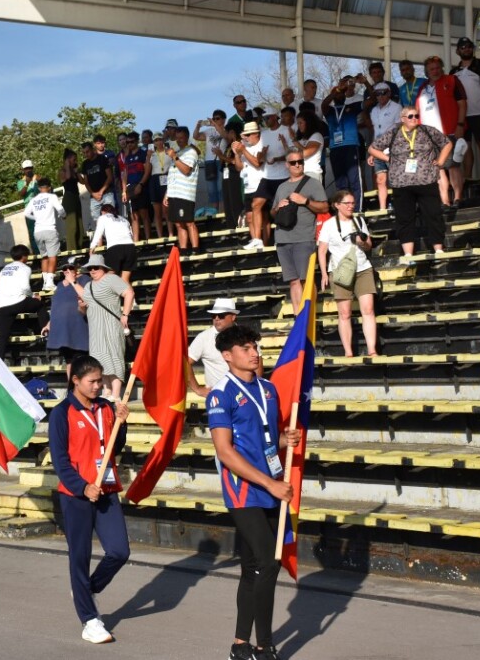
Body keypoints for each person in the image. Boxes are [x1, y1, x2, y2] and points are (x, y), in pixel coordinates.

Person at [207, 325, 300, 660]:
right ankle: (264, 644)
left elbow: (264, 441)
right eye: (245, 348)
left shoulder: (270, 390)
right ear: (228, 356)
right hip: (244, 491)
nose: (254, 352)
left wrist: (283, 442)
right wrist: (269, 483)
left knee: (251, 568)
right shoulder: (220, 394)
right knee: (268, 562)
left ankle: (239, 644)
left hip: (271, 486)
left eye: (255, 347)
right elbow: (225, 452)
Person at [48, 355, 131, 644]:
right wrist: (82, 487)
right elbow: (60, 460)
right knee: (79, 557)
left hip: (106, 489)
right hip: (77, 496)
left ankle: (87, 588)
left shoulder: (105, 408)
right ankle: (89, 619)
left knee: (119, 551)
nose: (98, 386)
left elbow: (115, 445)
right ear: (75, 381)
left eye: (100, 380)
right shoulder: (61, 413)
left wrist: (122, 423)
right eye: (92, 381)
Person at [370, 106, 453, 259]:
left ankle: (438, 248)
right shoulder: (394, 133)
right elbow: (373, 148)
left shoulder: (427, 130)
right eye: (410, 116)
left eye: (416, 115)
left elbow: (446, 143)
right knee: (404, 217)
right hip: (401, 183)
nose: (414, 118)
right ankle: (408, 253)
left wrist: (440, 161)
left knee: (433, 214)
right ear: (402, 119)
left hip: (426, 179)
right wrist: (389, 159)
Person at [318, 190, 378, 357]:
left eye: (353, 203)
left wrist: (362, 242)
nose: (351, 206)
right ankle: (348, 352)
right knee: (344, 313)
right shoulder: (329, 224)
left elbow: (369, 245)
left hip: (362, 267)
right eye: (347, 203)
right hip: (340, 270)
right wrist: (324, 274)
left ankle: (372, 350)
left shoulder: (358, 221)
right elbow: (322, 250)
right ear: (337, 205)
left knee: (368, 309)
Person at [72, 255, 135, 402]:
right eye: (90, 268)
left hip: (111, 325)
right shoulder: (88, 286)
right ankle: (106, 391)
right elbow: (84, 310)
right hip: (95, 328)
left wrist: (125, 314)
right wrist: (81, 307)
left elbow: (129, 292)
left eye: (96, 267)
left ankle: (116, 393)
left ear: (103, 268)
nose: (92, 270)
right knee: (99, 360)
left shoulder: (111, 279)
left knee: (114, 356)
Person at [272, 151, 328, 310]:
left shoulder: (313, 183)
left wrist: (306, 201)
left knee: (306, 280)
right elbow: (272, 213)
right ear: (286, 165)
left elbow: (324, 207)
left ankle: (309, 315)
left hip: (304, 238)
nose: (297, 165)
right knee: (293, 281)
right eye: (293, 162)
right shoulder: (281, 187)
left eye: (300, 161)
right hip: (282, 239)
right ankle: (299, 317)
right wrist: (278, 207)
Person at [415, 56, 467, 207]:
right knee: (437, 168)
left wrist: (460, 124)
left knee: (452, 165)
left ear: (442, 67)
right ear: (427, 71)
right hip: (429, 136)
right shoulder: (423, 87)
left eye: (437, 67)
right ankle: (445, 201)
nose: (435, 71)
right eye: (431, 69)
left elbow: (462, 104)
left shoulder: (451, 80)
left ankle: (457, 198)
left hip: (449, 131)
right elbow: (417, 110)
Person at [451, 36, 480, 196]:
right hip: (462, 116)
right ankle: (468, 177)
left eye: (469, 46)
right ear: (457, 51)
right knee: (465, 146)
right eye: (463, 47)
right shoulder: (453, 72)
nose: (466, 49)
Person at [0, 245, 49, 361]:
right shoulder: (25, 268)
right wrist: (34, 295)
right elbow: (25, 287)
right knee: (40, 305)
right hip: (18, 302)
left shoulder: (5, 269)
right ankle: (45, 331)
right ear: (24, 256)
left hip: (4, 305)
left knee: (3, 336)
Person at [321, 75, 365, 210]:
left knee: (355, 181)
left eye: (343, 93)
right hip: (335, 149)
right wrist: (336, 90)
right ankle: (344, 209)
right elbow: (323, 104)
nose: (341, 95)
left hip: (351, 147)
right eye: (338, 93)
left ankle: (357, 211)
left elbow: (372, 100)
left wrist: (366, 83)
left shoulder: (353, 107)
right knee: (341, 183)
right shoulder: (329, 111)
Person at [42, 259, 91, 380]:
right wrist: (49, 325)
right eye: (64, 269)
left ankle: (82, 388)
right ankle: (72, 389)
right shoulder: (59, 285)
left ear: (76, 269)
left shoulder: (84, 279)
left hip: (78, 326)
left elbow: (86, 296)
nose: (67, 271)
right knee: (69, 361)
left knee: (80, 360)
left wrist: (72, 281)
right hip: (62, 328)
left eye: (70, 268)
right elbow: (56, 307)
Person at [187, 298, 240, 397]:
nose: (216, 318)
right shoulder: (204, 337)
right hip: (218, 397)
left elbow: (257, 364)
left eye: (221, 315)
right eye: (213, 315)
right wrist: (197, 389)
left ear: (233, 317)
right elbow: (185, 362)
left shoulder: (245, 335)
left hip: (243, 395)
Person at [364, 83, 401, 210]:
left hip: (392, 149)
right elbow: (376, 132)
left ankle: (399, 205)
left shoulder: (397, 107)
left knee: (396, 179)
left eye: (383, 93)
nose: (380, 96)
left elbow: (398, 129)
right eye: (377, 93)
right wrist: (372, 152)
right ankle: (382, 208)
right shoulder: (374, 110)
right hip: (378, 150)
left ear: (389, 93)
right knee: (380, 179)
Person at [164, 125, 201, 251]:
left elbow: (186, 170)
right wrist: (167, 194)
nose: (179, 140)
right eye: (177, 138)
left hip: (185, 194)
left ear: (187, 137)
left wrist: (174, 157)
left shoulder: (191, 151)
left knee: (189, 222)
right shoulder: (178, 152)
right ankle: (184, 250)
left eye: (181, 137)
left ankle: (196, 250)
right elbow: (172, 176)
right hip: (174, 193)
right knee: (178, 224)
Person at [233, 121, 268, 250]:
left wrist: (243, 150)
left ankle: (263, 241)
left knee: (263, 216)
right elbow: (239, 167)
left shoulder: (262, 145)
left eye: (248, 135)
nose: (246, 138)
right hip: (248, 186)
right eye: (244, 135)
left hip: (260, 183)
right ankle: (255, 240)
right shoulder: (245, 147)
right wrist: (237, 153)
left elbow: (258, 163)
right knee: (249, 216)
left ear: (256, 134)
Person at [28, 177, 66, 291]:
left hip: (37, 231)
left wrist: (37, 218)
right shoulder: (52, 196)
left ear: (39, 188)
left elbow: (26, 213)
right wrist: (63, 216)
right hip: (49, 230)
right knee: (52, 256)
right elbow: (60, 209)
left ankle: (45, 283)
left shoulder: (33, 200)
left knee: (44, 257)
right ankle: (49, 282)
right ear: (49, 187)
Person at [89, 204, 137, 284]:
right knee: (125, 279)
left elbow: (98, 232)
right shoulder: (124, 219)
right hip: (130, 247)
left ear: (103, 212)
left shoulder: (103, 217)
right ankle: (131, 296)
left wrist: (92, 246)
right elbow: (131, 234)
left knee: (108, 277)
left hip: (115, 247)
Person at [119, 131, 152, 241]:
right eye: (127, 142)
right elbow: (125, 174)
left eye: (132, 142)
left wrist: (141, 184)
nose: (129, 144)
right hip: (130, 188)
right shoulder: (127, 157)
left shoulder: (143, 154)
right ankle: (136, 241)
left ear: (137, 141)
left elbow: (147, 170)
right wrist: (124, 190)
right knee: (133, 216)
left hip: (141, 187)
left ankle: (148, 239)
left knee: (144, 214)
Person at [79, 141, 115, 225]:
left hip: (107, 193)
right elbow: (86, 182)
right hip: (94, 197)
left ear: (92, 149)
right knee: (97, 222)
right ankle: (101, 238)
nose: (86, 154)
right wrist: (93, 193)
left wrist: (101, 191)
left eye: (87, 151)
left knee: (111, 218)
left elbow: (110, 177)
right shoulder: (84, 164)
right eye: (84, 153)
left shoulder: (102, 159)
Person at [59, 148, 88, 251]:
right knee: (72, 226)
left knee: (80, 225)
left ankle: (79, 247)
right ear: (67, 159)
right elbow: (66, 177)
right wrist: (67, 165)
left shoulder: (74, 171)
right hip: (68, 198)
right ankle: (72, 250)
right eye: (73, 159)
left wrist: (76, 171)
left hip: (76, 197)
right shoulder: (63, 170)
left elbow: (82, 181)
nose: (75, 162)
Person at [146, 133, 171, 239]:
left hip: (167, 178)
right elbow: (147, 169)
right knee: (157, 211)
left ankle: (171, 234)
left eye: (160, 139)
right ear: (153, 143)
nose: (158, 142)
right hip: (155, 179)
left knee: (166, 209)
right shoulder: (152, 154)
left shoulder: (169, 152)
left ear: (163, 140)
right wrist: (148, 157)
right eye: (156, 140)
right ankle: (160, 236)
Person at [292, 111, 326, 185]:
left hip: (312, 173)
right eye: (297, 123)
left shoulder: (317, 136)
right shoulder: (302, 138)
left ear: (308, 123)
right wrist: (284, 143)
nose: (299, 126)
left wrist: (296, 142)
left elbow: (305, 153)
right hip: (301, 173)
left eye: (301, 123)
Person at [16, 159, 41, 255]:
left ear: (32, 168)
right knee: (32, 233)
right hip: (29, 210)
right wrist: (26, 184)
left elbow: (47, 186)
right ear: (23, 170)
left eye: (29, 168)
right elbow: (21, 194)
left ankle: (45, 254)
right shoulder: (21, 182)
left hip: (40, 207)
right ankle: (36, 254)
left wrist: (39, 180)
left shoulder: (38, 178)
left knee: (42, 230)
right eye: (26, 169)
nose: (28, 170)